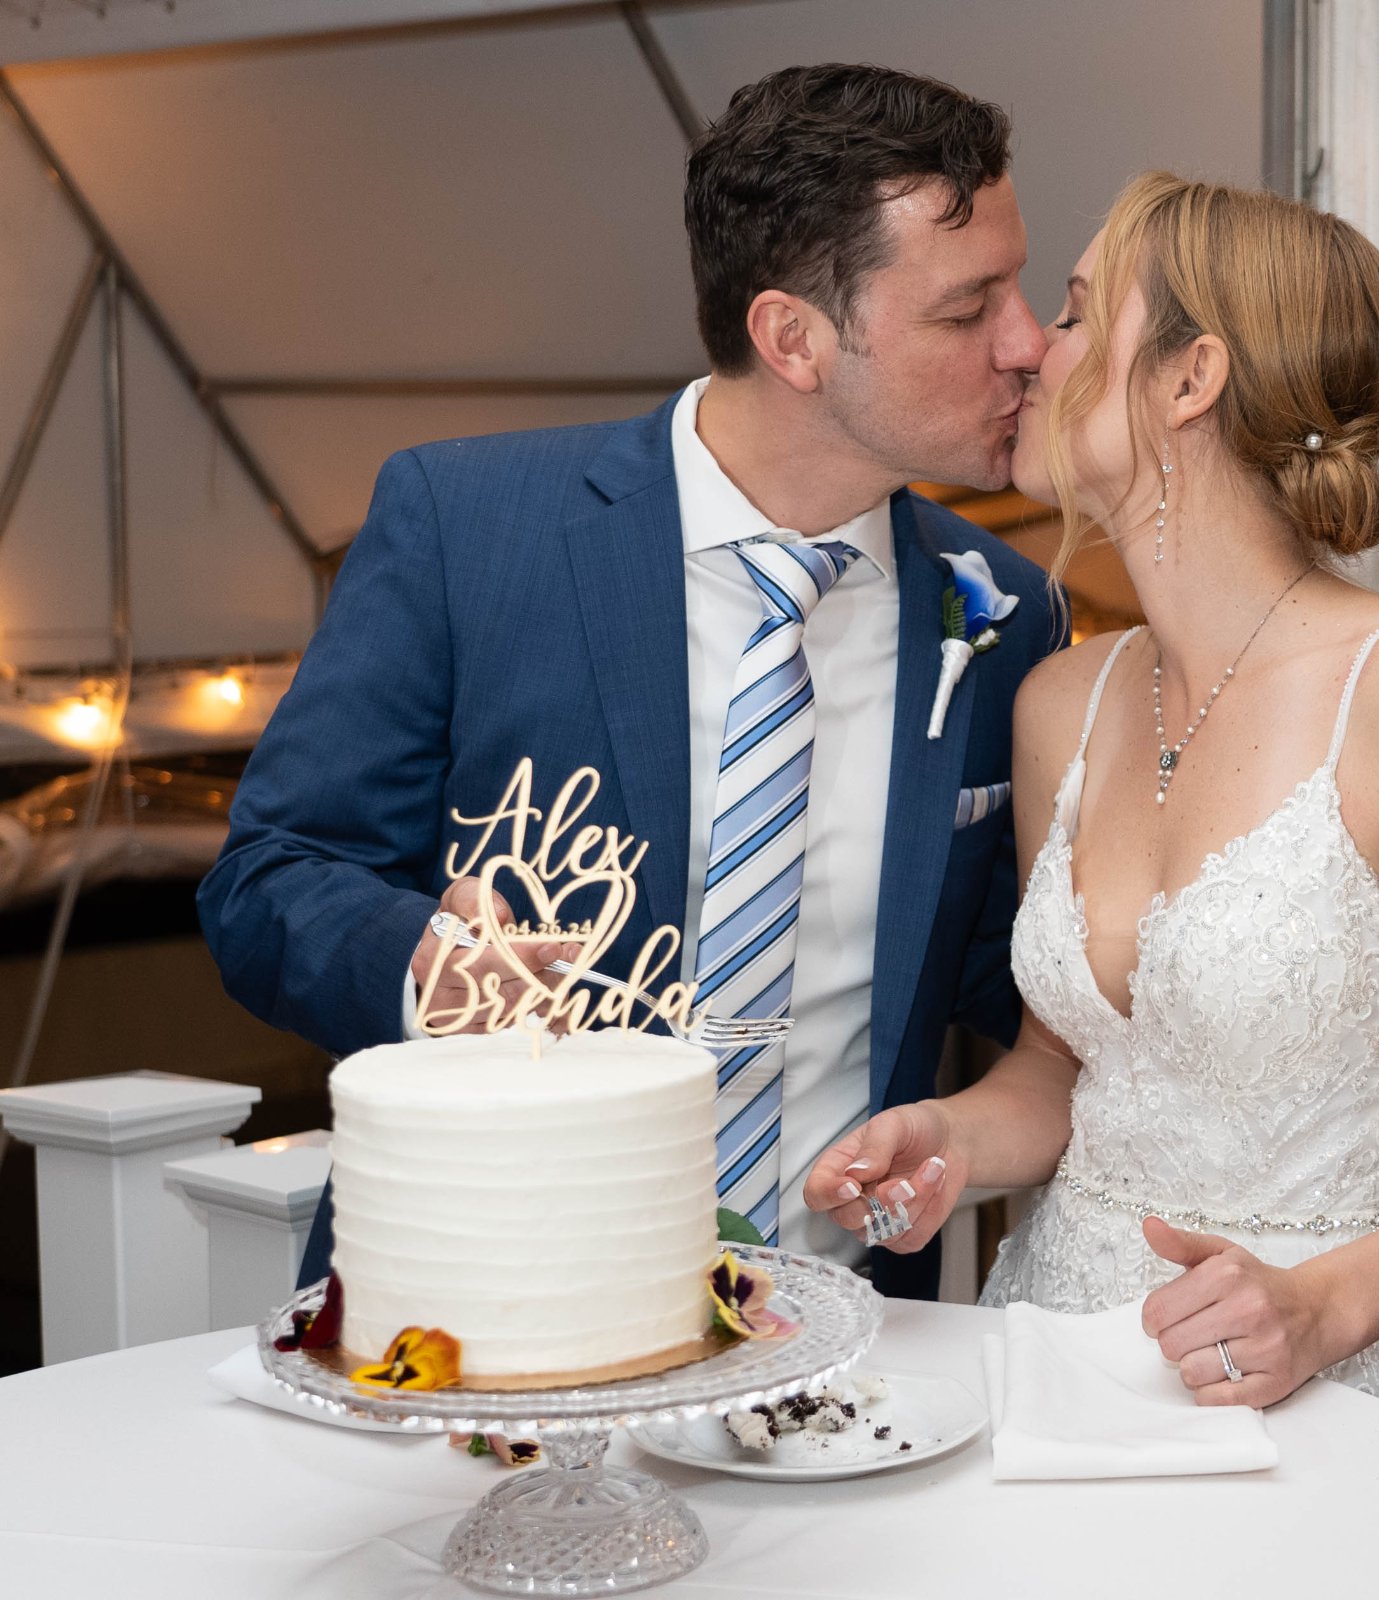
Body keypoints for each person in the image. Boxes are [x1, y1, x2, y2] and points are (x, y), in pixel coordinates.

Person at [806, 172, 1379, 1587]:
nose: (1031, 346)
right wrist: (958, 1138)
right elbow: (1060, 1069)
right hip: (1059, 1388)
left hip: (1329, 1399)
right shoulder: (1063, 702)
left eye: (1081, 312)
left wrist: (1327, 1309)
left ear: (1191, 376)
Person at [198, 64, 1061, 1298]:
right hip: (486, 1302)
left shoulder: (998, 612)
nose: (1026, 343)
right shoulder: (465, 527)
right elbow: (267, 880)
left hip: (844, 1343)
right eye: (968, 308)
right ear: (793, 338)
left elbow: (1015, 976)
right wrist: (426, 968)